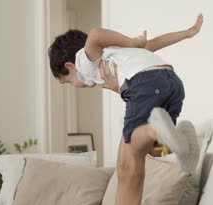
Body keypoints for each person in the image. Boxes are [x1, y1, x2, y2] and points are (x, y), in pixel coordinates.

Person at [48, 14, 204, 172]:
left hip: (146, 82)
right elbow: (155, 43)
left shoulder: (83, 61)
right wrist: (187, 33)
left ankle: (157, 129)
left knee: (132, 140)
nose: (74, 85)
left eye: (68, 81)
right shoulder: (121, 53)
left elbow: (95, 34)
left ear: (70, 66)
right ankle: (183, 141)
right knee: (155, 148)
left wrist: (133, 41)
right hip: (172, 81)